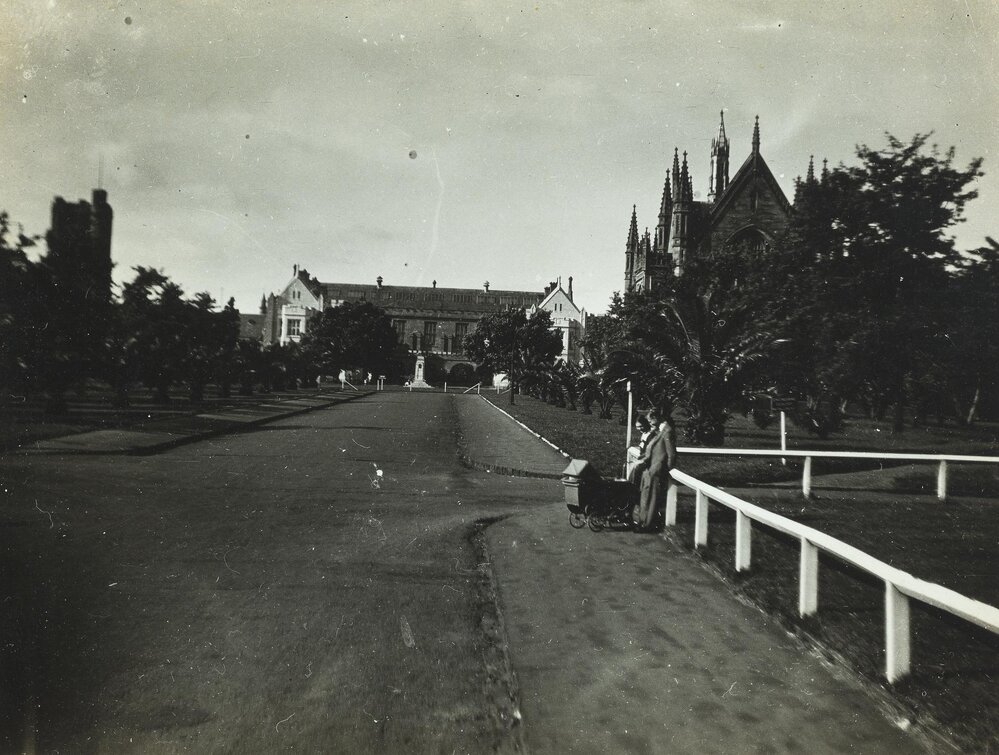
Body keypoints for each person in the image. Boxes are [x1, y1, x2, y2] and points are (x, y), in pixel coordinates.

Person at [633, 408, 677, 532]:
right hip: (651, 468)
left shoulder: (667, 432)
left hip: (657, 469)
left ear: (656, 418)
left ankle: (647, 524)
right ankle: (642, 521)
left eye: (650, 420)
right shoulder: (659, 431)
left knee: (651, 498)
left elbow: (671, 454)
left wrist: (666, 469)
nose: (649, 423)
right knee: (646, 496)